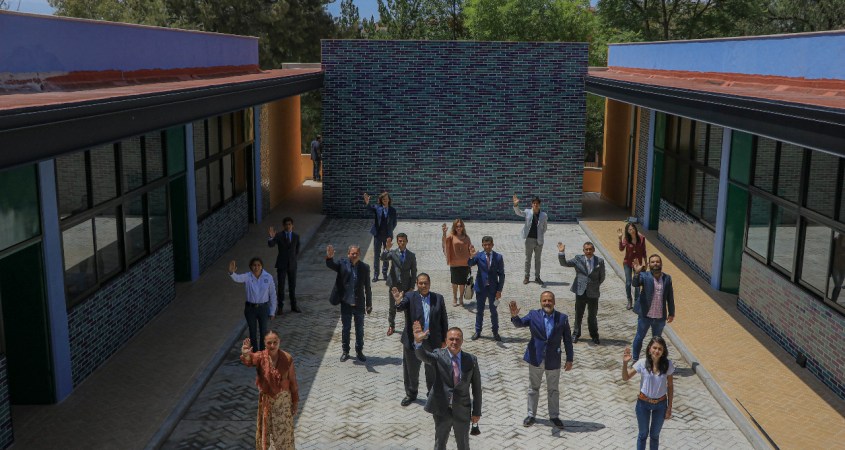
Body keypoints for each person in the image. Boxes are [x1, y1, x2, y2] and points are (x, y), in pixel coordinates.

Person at [509, 292, 574, 429]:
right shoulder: (533, 315)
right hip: (536, 358)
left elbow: (567, 340)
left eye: (549, 300)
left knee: (553, 390)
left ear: (554, 302)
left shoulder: (562, 318)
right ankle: (531, 415)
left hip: (553, 359)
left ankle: (554, 416)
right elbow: (520, 324)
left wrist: (570, 359)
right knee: (533, 388)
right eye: (544, 300)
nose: (547, 303)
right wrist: (514, 316)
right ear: (540, 302)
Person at [413, 323, 482, 450]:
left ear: (462, 341)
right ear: (446, 340)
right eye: (451, 339)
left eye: (457, 339)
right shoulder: (438, 355)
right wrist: (418, 342)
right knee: (440, 444)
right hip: (442, 409)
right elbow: (424, 356)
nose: (454, 342)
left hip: (462, 410)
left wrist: (476, 412)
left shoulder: (471, 360)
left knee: (463, 445)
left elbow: (477, 389)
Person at [393, 273, 449, 407]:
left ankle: (432, 394)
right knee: (411, 369)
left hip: (432, 341)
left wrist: (444, 339)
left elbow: (443, 319)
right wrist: (398, 301)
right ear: (417, 284)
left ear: (430, 284)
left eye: (426, 283)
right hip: (413, 340)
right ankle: (411, 394)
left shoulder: (438, 298)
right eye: (420, 283)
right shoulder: (410, 296)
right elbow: (401, 307)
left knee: (432, 370)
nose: (423, 285)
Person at [240, 331, 299, 450]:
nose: (272, 345)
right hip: (267, 403)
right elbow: (250, 360)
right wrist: (245, 353)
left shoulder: (287, 358)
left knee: (284, 436)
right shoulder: (261, 357)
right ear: (265, 343)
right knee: (268, 436)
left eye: (275, 342)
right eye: (269, 343)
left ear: (279, 342)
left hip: (283, 403)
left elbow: (293, 381)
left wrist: (295, 402)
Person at [622, 337, 675, 450]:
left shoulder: (668, 365)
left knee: (655, 436)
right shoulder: (642, 363)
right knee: (643, 435)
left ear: (663, 351)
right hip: (643, 404)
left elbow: (670, 386)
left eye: (660, 349)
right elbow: (625, 377)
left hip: (661, 405)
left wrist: (669, 406)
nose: (657, 351)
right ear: (649, 349)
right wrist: (625, 363)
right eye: (654, 348)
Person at [326, 244, 373, 362]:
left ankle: (359, 351)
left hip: (359, 304)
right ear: (348, 254)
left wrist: (369, 304)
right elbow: (331, 265)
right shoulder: (342, 264)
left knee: (359, 329)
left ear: (359, 254)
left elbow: (367, 287)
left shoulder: (364, 267)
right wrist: (329, 257)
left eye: (356, 253)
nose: (354, 255)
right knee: (346, 328)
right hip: (346, 303)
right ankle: (345, 351)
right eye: (352, 253)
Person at [557, 241, 606, 344]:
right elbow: (564, 263)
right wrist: (561, 252)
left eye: (590, 249)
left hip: (593, 293)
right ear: (583, 251)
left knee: (592, 316)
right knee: (578, 314)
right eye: (586, 249)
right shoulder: (578, 259)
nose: (588, 251)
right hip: (580, 291)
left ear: (594, 250)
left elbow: (602, 277)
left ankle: (594, 335)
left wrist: (594, 285)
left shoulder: (599, 261)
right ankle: (576, 334)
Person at [630, 255, 675, 364]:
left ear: (661, 264)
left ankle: (655, 361)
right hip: (645, 315)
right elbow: (635, 284)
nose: (655, 264)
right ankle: (635, 359)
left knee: (657, 341)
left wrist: (671, 313)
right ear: (649, 264)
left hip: (659, 317)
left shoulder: (667, 278)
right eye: (653, 262)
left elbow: (670, 297)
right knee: (639, 337)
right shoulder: (644, 276)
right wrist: (637, 273)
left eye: (657, 262)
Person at [229, 258, 277, 352]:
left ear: (262, 266)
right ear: (251, 266)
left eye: (259, 265)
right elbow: (237, 278)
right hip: (250, 309)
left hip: (263, 309)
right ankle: (255, 353)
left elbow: (273, 295)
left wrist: (272, 311)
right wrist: (231, 272)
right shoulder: (247, 276)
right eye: (254, 265)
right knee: (252, 332)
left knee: (263, 332)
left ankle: (263, 353)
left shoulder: (268, 277)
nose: (256, 267)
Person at [467, 236, 505, 341]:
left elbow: (501, 275)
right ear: (482, 245)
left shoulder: (498, 257)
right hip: (481, 288)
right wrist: (471, 256)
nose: (487, 247)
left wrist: (499, 290)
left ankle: (495, 332)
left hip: (493, 289)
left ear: (492, 245)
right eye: (485, 245)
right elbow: (470, 264)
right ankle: (478, 331)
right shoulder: (479, 256)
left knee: (494, 311)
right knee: (479, 311)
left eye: (489, 244)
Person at [381, 233, 417, 336]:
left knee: (407, 308)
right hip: (394, 285)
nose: (402, 243)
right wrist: (387, 249)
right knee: (392, 307)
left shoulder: (411, 255)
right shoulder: (393, 253)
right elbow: (383, 258)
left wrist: (412, 287)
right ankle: (391, 326)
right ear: (397, 242)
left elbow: (414, 272)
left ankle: (408, 327)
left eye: (404, 241)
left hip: (406, 285)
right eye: (400, 241)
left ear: (407, 241)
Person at [513, 195, 549, 287]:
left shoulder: (544, 215)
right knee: (528, 259)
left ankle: (537, 277)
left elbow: (545, 228)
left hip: (539, 241)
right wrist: (516, 205)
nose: (535, 205)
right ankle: (527, 276)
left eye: (537, 203)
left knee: (538, 260)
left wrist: (540, 235)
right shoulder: (527, 212)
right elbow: (519, 213)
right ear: (532, 204)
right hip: (529, 239)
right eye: (534, 203)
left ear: (539, 205)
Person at [268, 217, 301, 314]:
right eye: (286, 224)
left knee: (292, 286)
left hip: (292, 265)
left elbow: (297, 250)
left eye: (289, 224)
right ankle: (280, 307)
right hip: (282, 265)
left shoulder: (296, 236)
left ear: (292, 225)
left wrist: (293, 259)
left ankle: (294, 306)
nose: (288, 226)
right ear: (283, 226)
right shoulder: (279, 235)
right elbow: (271, 245)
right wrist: (271, 237)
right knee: (281, 287)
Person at [364, 192, 398, 282]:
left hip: (387, 237)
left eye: (386, 199)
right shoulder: (377, 208)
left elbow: (394, 223)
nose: (385, 200)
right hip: (378, 236)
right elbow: (370, 209)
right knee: (376, 255)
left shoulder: (393, 210)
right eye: (383, 199)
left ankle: (384, 274)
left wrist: (390, 231)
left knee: (386, 255)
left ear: (389, 200)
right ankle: (376, 275)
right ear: (381, 200)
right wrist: (367, 203)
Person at [442, 219, 473, 307]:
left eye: (460, 226)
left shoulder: (466, 237)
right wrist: (444, 233)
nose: (459, 228)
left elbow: (470, 249)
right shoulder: (451, 236)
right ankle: (455, 298)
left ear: (463, 227)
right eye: (457, 226)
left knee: (462, 283)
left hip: (465, 263)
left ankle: (461, 298)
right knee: (455, 283)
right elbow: (444, 242)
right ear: (454, 227)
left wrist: (473, 255)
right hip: (454, 263)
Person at [618, 222, 647, 310]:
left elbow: (644, 251)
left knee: (637, 283)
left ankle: (637, 301)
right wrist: (620, 239)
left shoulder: (641, 238)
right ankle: (629, 300)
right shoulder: (626, 239)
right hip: (628, 263)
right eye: (630, 230)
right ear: (627, 231)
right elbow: (621, 249)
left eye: (633, 228)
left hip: (638, 265)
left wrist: (646, 263)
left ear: (635, 229)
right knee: (628, 283)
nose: (632, 231)